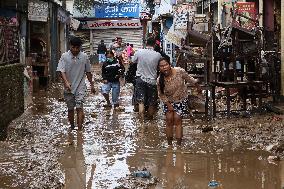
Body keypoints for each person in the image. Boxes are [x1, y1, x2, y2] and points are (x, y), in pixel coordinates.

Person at [157, 57, 202, 145]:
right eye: (161, 66)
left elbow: (189, 78)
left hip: (180, 99)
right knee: (169, 120)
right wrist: (168, 104)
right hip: (168, 100)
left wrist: (197, 86)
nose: (164, 67)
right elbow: (161, 94)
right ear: (159, 68)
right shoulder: (159, 80)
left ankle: (178, 145)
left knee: (177, 119)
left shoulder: (179, 71)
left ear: (169, 65)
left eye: (166, 65)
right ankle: (169, 144)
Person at [57, 36, 95, 131]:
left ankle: (79, 130)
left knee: (79, 107)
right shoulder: (64, 56)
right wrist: (66, 82)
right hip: (68, 87)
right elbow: (61, 71)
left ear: (80, 47)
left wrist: (92, 84)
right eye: (73, 47)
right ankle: (72, 127)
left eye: (77, 48)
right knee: (70, 109)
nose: (75, 50)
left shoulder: (84, 57)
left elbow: (88, 72)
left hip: (81, 87)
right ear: (70, 46)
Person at [132, 37, 162, 118]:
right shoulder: (158, 55)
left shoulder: (139, 52)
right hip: (152, 80)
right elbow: (160, 66)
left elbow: (133, 61)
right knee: (152, 101)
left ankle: (141, 122)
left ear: (146, 43)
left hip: (140, 79)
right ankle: (150, 120)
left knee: (141, 101)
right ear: (155, 44)